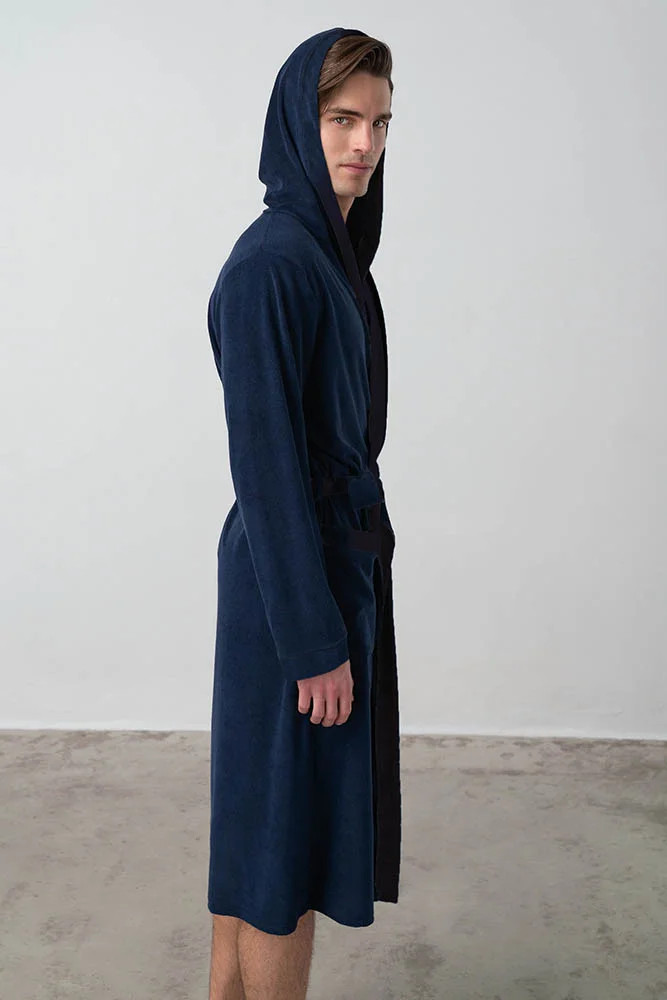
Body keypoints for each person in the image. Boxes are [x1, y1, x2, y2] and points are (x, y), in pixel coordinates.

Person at [205, 27, 401, 1000]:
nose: (363, 143)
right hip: (294, 587)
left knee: (262, 836)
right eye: (340, 119)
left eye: (379, 122)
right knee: (281, 856)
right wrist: (314, 640)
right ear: (297, 121)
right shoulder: (272, 266)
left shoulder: (328, 256)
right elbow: (267, 466)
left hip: (321, 570)